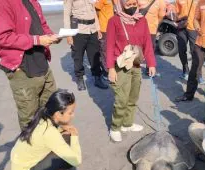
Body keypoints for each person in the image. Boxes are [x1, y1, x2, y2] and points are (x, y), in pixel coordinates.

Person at [0, 0, 61, 129]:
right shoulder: (2, 2)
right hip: (22, 69)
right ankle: (32, 148)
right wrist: (37, 40)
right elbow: (3, 38)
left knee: (51, 110)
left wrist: (52, 36)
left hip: (42, 64)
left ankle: (49, 143)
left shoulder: (33, 2)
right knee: (30, 120)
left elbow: (42, 26)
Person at [11, 90, 82, 170]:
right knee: (68, 154)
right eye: (71, 112)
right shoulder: (49, 132)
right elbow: (76, 160)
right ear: (58, 113)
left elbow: (48, 134)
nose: (73, 115)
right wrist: (75, 136)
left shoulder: (43, 116)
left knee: (64, 141)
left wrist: (61, 128)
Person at [107, 0, 156, 142]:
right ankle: (115, 127)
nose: (132, 6)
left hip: (136, 65)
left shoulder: (142, 20)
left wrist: (151, 64)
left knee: (133, 97)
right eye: (128, 4)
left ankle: (127, 124)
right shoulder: (114, 21)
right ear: (121, 4)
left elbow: (147, 43)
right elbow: (109, 46)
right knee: (121, 99)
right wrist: (110, 69)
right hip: (120, 67)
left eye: (134, 3)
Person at [64, 0, 108, 91]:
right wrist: (68, 34)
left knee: (95, 55)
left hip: (92, 29)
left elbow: (94, 12)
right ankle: (79, 78)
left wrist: (98, 28)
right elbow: (66, 15)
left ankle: (97, 77)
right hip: (78, 30)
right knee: (78, 56)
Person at [176, 0, 197, 80]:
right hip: (181, 27)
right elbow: (176, 12)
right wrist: (175, 20)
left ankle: (198, 73)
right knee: (181, 50)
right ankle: (185, 70)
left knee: (195, 52)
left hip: (194, 28)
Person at [95, 0, 115, 79]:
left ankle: (109, 68)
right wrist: (98, 29)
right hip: (104, 28)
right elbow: (95, 11)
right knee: (104, 50)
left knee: (111, 49)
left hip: (112, 27)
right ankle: (105, 71)